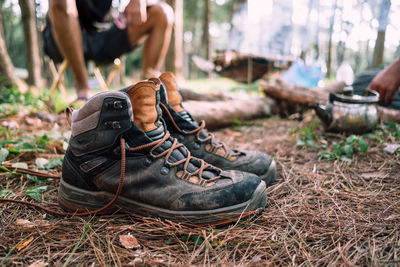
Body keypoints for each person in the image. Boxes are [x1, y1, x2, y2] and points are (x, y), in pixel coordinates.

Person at [43, 0, 173, 102]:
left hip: (102, 36)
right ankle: (83, 90)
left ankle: (148, 95)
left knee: (163, 13)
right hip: (60, 38)